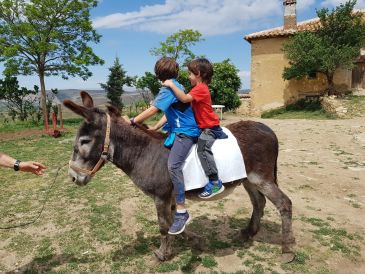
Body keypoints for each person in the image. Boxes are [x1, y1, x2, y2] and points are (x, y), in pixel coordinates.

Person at [128, 57, 200, 235]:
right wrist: (155, 127)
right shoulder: (176, 85)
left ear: (157, 74)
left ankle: (182, 210)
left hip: (185, 131)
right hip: (179, 129)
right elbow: (169, 113)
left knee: (173, 165)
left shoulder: (168, 88)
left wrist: (132, 121)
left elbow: (153, 110)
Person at [163, 58, 227, 199]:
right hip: (203, 127)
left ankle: (215, 182)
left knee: (203, 148)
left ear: (198, 73)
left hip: (210, 128)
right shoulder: (198, 89)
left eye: (190, 73)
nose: (188, 76)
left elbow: (184, 99)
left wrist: (171, 85)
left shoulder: (200, 88)